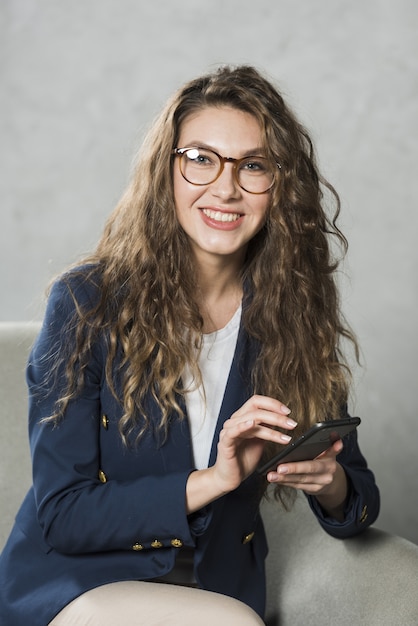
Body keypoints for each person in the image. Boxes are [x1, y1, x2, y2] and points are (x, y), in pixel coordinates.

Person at [0, 65, 379, 625]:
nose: (225, 187)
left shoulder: (293, 320)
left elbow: (359, 506)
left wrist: (331, 484)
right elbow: (63, 514)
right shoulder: (86, 302)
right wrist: (217, 480)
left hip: (214, 584)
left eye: (253, 165)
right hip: (77, 584)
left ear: (280, 187)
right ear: (167, 172)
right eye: (200, 158)